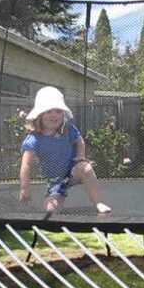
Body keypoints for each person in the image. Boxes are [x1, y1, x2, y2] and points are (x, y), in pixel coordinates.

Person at [19, 86, 112, 214]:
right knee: (50, 210)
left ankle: (99, 202)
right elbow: (26, 164)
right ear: (39, 115)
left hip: (73, 172)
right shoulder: (34, 138)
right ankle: (54, 202)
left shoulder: (68, 130)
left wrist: (80, 157)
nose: (54, 115)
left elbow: (79, 141)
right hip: (57, 181)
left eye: (58, 111)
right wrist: (25, 188)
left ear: (63, 114)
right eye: (49, 111)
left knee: (85, 168)